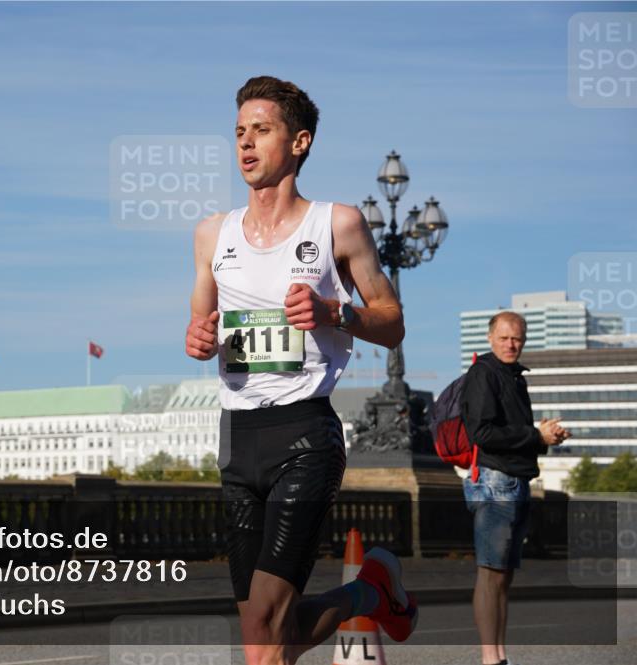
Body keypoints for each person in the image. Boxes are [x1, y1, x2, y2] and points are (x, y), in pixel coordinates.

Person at [184, 75, 416, 665]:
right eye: (239, 132)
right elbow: (201, 327)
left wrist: (336, 311)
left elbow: (392, 323)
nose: (245, 143)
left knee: (265, 635)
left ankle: (371, 589)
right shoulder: (213, 234)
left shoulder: (338, 225)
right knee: (265, 640)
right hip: (237, 437)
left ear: (299, 142)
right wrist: (199, 337)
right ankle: (370, 590)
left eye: (261, 130)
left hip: (305, 435)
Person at [460, 311, 570, 665]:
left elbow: (512, 436)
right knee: (490, 573)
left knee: (502, 577)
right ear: (491, 338)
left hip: (514, 480)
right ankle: (490, 658)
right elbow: (482, 433)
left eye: (518, 339)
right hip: (494, 484)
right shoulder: (483, 373)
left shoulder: (514, 377)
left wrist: (545, 438)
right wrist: (535, 435)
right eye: (505, 337)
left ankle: (499, 654)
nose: (512, 344)